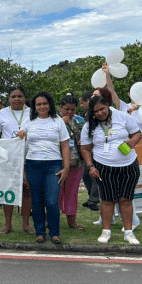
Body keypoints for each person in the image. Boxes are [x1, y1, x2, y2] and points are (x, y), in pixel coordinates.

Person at [80, 94, 142, 245]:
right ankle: (106, 231)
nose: (100, 113)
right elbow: (85, 149)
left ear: (107, 105)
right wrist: (90, 166)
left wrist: (133, 140)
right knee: (107, 200)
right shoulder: (89, 126)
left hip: (129, 165)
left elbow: (137, 133)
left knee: (126, 199)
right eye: (96, 111)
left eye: (102, 109)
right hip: (103, 167)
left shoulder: (122, 117)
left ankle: (129, 232)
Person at [17, 91, 70, 244]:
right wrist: (21, 134)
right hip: (33, 163)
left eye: (44, 103)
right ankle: (40, 232)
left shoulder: (57, 121)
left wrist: (66, 167)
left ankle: (54, 233)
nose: (42, 106)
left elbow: (65, 145)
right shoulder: (28, 121)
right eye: (38, 104)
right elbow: (21, 142)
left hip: (53, 164)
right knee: (37, 201)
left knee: (52, 201)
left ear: (50, 105)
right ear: (34, 106)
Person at [0, 85, 34, 235]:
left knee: (27, 192)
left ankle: (25, 224)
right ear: (9, 99)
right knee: (8, 192)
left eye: (19, 96)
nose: (16, 99)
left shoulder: (32, 112)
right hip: (8, 159)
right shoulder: (2, 114)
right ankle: (8, 224)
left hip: (29, 157)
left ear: (24, 98)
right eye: (13, 96)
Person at [59, 93, 85, 230]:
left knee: (72, 193)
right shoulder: (54, 121)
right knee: (55, 194)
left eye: (72, 109)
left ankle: (71, 221)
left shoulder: (80, 122)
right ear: (60, 108)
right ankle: (51, 220)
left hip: (76, 163)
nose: (69, 112)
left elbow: (85, 139)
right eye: (66, 109)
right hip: (58, 164)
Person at [79, 91, 99, 211]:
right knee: (86, 173)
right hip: (86, 148)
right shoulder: (85, 113)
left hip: (96, 148)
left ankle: (94, 199)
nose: (81, 105)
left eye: (82, 103)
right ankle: (91, 196)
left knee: (95, 173)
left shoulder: (99, 113)